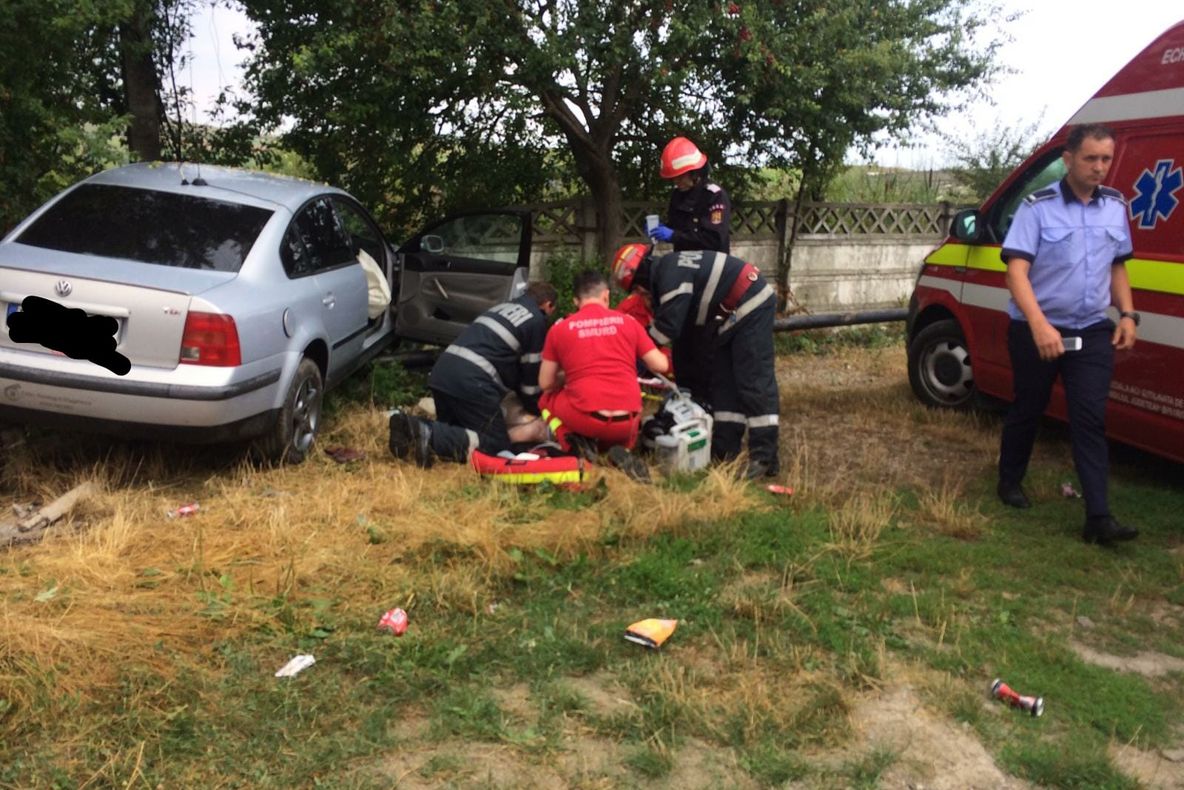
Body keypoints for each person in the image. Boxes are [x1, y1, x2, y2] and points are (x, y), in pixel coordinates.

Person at [996, 123, 1139, 546]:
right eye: (1091, 158)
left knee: (1090, 419)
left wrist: (1128, 313)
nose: (1100, 168)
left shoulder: (1115, 206)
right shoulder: (1036, 207)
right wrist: (1039, 324)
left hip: (1093, 330)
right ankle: (1009, 481)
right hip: (1036, 329)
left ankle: (1098, 517)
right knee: (1029, 407)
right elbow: (1016, 271)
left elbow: (1118, 266)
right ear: (1069, 158)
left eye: (1106, 159)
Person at [611, 243, 780, 478]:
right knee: (723, 384)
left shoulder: (670, 276)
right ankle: (724, 454)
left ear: (641, 278)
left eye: (638, 289)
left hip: (751, 304)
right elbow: (686, 337)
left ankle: (765, 457)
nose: (640, 295)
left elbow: (668, 327)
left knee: (753, 380)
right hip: (726, 319)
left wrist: (636, 356)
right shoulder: (669, 271)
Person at [388, 282, 557, 467]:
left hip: (443, 372)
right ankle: (429, 432)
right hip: (473, 380)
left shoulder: (501, 308)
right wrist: (537, 408)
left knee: (457, 432)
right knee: (494, 446)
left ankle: (413, 429)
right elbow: (531, 381)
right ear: (548, 305)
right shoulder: (536, 321)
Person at [537, 270, 670, 457]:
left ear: (576, 301)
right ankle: (623, 449)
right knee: (625, 416)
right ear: (606, 295)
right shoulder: (629, 322)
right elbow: (660, 365)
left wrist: (574, 374)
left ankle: (574, 446)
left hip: (588, 419)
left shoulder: (559, 329)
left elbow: (545, 383)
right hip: (628, 421)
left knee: (546, 399)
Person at [647, 136, 732, 403]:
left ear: (694, 174)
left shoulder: (714, 197)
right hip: (683, 278)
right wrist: (663, 233)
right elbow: (678, 233)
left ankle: (706, 400)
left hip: (709, 280)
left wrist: (673, 235)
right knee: (682, 337)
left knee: (704, 341)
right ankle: (684, 394)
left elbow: (714, 240)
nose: (676, 183)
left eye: (680, 178)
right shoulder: (677, 197)